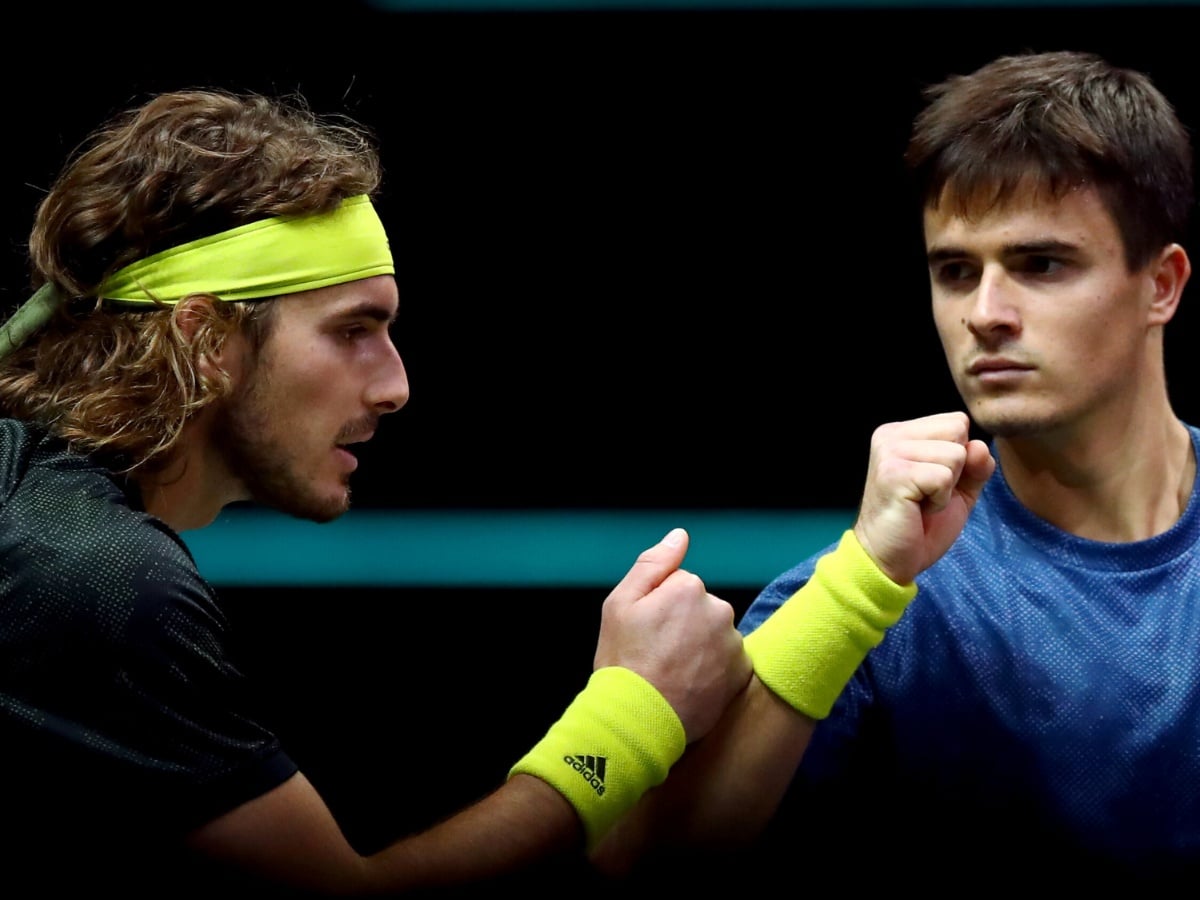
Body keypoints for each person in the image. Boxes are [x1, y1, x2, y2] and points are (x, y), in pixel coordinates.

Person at [0, 87, 993, 897]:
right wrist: (632, 714)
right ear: (205, 339)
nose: (395, 384)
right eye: (352, 329)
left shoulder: (45, 527)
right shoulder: (96, 583)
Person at [723, 49, 1200, 887]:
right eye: (955, 272)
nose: (984, 315)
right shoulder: (867, 598)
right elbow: (652, 869)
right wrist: (862, 585)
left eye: (1039, 264)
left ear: (1159, 284)